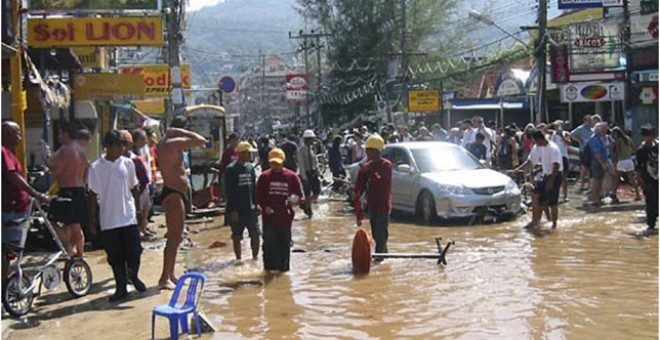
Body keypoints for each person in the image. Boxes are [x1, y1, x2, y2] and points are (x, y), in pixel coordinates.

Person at [87, 130, 147, 302]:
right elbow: (92, 194)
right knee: (115, 256)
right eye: (119, 146)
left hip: (128, 216)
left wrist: (138, 211)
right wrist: (91, 219)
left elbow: (134, 188)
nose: (122, 149)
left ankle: (134, 277)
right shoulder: (96, 167)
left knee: (135, 251)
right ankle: (121, 287)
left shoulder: (127, 163)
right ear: (109, 147)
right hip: (108, 218)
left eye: (124, 146)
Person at [157, 116, 207, 290]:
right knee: (173, 237)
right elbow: (200, 140)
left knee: (177, 237)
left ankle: (170, 274)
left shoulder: (169, 144)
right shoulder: (171, 143)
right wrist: (179, 131)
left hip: (176, 192)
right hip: (172, 193)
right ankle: (164, 277)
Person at [2, 121, 50, 282]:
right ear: (7, 134)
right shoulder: (3, 152)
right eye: (17, 134)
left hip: (15, 207)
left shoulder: (8, 152)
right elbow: (13, 177)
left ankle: (8, 278)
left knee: (10, 251)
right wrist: (35, 193)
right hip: (10, 209)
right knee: (8, 250)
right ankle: (4, 284)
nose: (20, 138)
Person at [255, 148, 304, 272]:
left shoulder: (292, 176)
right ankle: (268, 272)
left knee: (284, 246)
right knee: (269, 246)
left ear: (283, 162)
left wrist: (294, 200)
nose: (275, 166)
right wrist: (265, 206)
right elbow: (258, 195)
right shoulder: (264, 177)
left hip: (285, 218)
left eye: (277, 163)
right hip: (269, 219)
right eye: (272, 163)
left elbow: (300, 195)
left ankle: (284, 273)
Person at [45, 122, 89, 258]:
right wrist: (83, 183)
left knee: (52, 221)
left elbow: (56, 170)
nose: (58, 136)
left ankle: (69, 247)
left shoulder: (65, 150)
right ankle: (80, 254)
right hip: (80, 190)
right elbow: (87, 169)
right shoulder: (81, 150)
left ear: (65, 133)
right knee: (76, 225)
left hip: (67, 190)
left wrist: (46, 160)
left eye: (60, 133)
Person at [514, 130, 563, 229]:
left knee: (553, 202)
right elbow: (529, 160)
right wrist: (518, 169)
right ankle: (535, 221)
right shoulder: (539, 146)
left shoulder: (553, 148)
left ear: (540, 139)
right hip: (545, 175)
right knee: (536, 196)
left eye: (535, 141)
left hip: (555, 176)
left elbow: (556, 166)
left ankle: (554, 225)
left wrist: (551, 181)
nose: (535, 144)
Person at [354, 134, 392, 257]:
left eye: (368, 150)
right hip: (372, 205)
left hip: (383, 205)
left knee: (381, 236)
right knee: (376, 235)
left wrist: (369, 172)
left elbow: (382, 183)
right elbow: (360, 187)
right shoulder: (368, 166)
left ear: (376, 151)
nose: (366, 152)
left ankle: (380, 259)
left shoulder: (386, 165)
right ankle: (383, 257)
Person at [225, 142, 260, 261]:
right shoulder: (231, 169)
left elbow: (254, 188)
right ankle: (238, 259)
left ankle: (255, 258)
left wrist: (257, 204)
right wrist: (233, 210)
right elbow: (229, 192)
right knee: (237, 236)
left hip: (251, 208)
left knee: (255, 234)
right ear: (241, 153)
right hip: (237, 210)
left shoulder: (250, 168)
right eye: (249, 153)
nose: (250, 155)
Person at [635, 125, 658, 233]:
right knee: (650, 201)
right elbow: (638, 167)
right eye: (647, 136)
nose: (650, 138)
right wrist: (640, 181)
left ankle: (655, 215)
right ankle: (651, 224)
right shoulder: (641, 151)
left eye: (651, 136)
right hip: (647, 179)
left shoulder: (657, 147)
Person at [610, 127, 641, 203]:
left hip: (621, 161)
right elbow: (634, 148)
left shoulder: (618, 141)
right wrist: (628, 152)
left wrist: (615, 160)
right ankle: (637, 194)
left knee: (617, 178)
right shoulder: (627, 138)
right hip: (629, 160)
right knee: (631, 178)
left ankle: (613, 193)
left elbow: (617, 151)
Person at [588, 122, 613, 206]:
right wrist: (602, 164)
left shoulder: (602, 138)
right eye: (605, 129)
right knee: (596, 180)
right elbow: (597, 154)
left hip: (603, 160)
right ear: (600, 130)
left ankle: (599, 197)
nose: (606, 130)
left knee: (600, 180)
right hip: (597, 162)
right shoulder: (595, 139)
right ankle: (595, 199)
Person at [297, 129, 320, 218]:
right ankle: (308, 209)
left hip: (313, 173)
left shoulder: (312, 149)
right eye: (311, 139)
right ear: (306, 139)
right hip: (306, 174)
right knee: (307, 193)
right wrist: (304, 177)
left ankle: (305, 204)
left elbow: (315, 161)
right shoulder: (301, 150)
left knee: (317, 191)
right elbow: (301, 164)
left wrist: (318, 172)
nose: (313, 141)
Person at [570, 115, 594, 192]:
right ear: (585, 121)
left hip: (591, 150)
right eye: (588, 120)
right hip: (583, 150)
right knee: (584, 168)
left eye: (591, 120)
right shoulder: (581, 128)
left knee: (591, 168)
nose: (590, 122)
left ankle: (590, 185)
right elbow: (571, 134)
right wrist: (579, 140)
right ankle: (582, 185)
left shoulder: (592, 129)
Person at [549, 121, 571, 202]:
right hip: (554, 157)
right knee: (553, 176)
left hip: (563, 156)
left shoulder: (566, 133)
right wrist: (551, 124)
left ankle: (565, 195)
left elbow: (569, 143)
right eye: (557, 125)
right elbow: (543, 130)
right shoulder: (552, 133)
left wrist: (561, 135)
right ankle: (554, 194)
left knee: (564, 177)